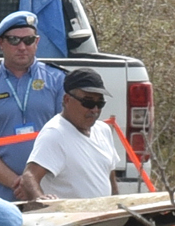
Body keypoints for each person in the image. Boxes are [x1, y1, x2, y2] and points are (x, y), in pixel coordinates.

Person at [0, 11, 67, 200]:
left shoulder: (58, 80)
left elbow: (66, 138)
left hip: (49, 192)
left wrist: (33, 184)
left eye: (28, 40)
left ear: (36, 43)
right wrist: (19, 183)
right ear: (1, 43)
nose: (22, 47)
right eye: (14, 40)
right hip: (0, 194)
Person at [15, 69, 117, 201]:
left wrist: (119, 209)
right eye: (88, 102)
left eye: (100, 103)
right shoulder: (55, 133)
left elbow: (110, 176)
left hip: (102, 217)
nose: (95, 109)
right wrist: (41, 201)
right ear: (67, 100)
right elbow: (29, 177)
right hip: (71, 219)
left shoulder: (103, 130)